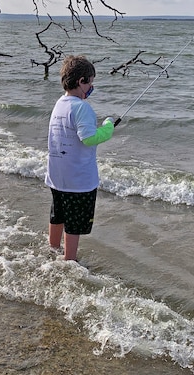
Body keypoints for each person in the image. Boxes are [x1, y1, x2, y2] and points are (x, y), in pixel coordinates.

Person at [45, 55, 115, 261]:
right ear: (81, 82)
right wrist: (108, 127)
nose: (92, 86)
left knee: (57, 215)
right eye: (90, 81)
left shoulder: (60, 103)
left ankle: (53, 249)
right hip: (78, 181)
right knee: (73, 224)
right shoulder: (81, 107)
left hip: (57, 176)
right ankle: (69, 260)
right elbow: (89, 138)